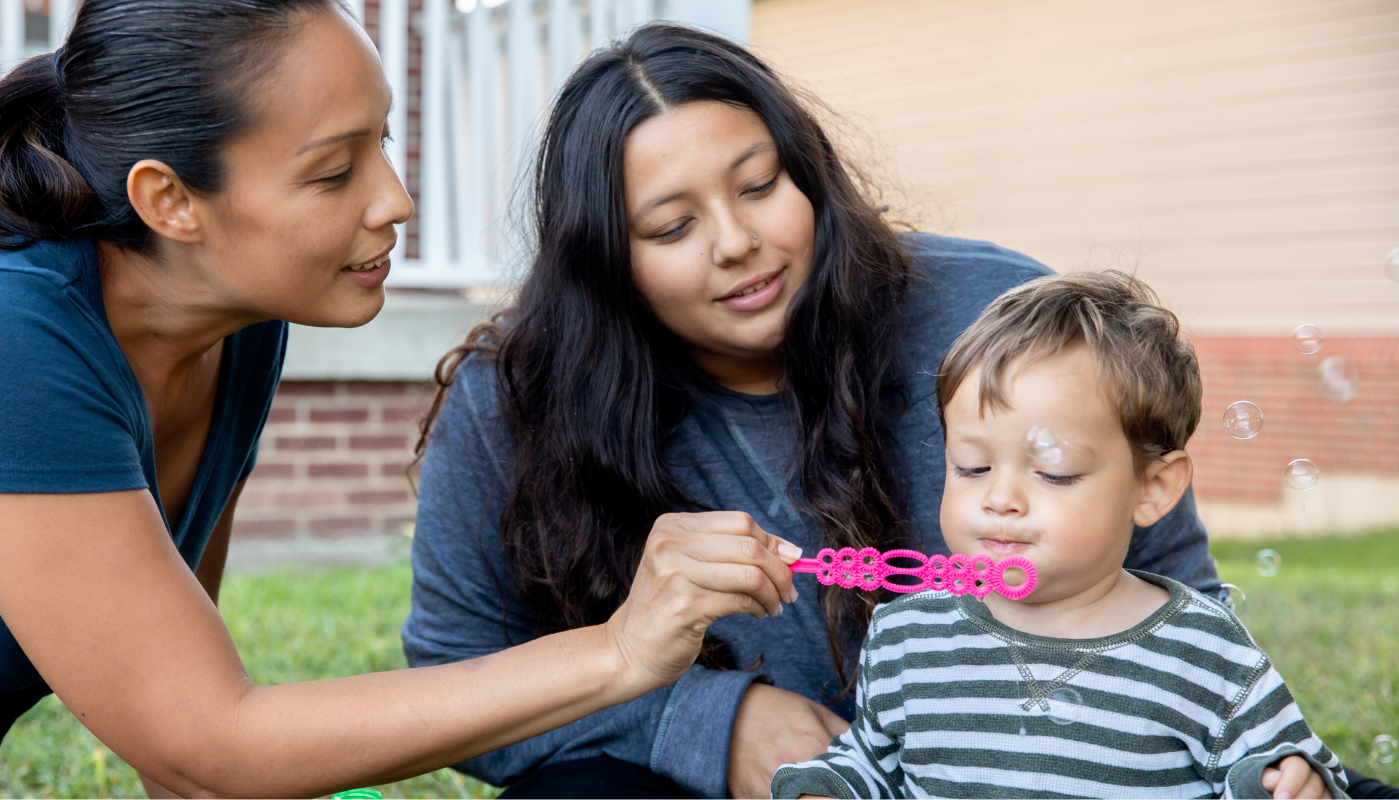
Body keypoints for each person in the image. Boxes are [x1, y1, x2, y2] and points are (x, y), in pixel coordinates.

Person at [0, 2, 804, 796]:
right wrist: (619, 651)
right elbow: (210, 742)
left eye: (383, 142)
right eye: (334, 171)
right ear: (170, 201)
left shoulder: (234, 318)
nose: (394, 199)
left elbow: (185, 736)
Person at [402, 23, 1331, 799]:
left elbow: (1183, 612)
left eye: (760, 184)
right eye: (673, 227)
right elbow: (453, 684)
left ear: (807, 175)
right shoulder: (515, 401)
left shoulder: (996, 326)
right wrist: (698, 721)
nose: (739, 242)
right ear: (606, 258)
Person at [768, 271, 1347, 799]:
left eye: (1054, 473)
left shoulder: (1202, 649)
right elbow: (872, 765)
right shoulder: (907, 638)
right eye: (971, 467)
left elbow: (1291, 768)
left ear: (1153, 488)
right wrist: (828, 788)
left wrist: (1291, 782)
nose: (999, 499)